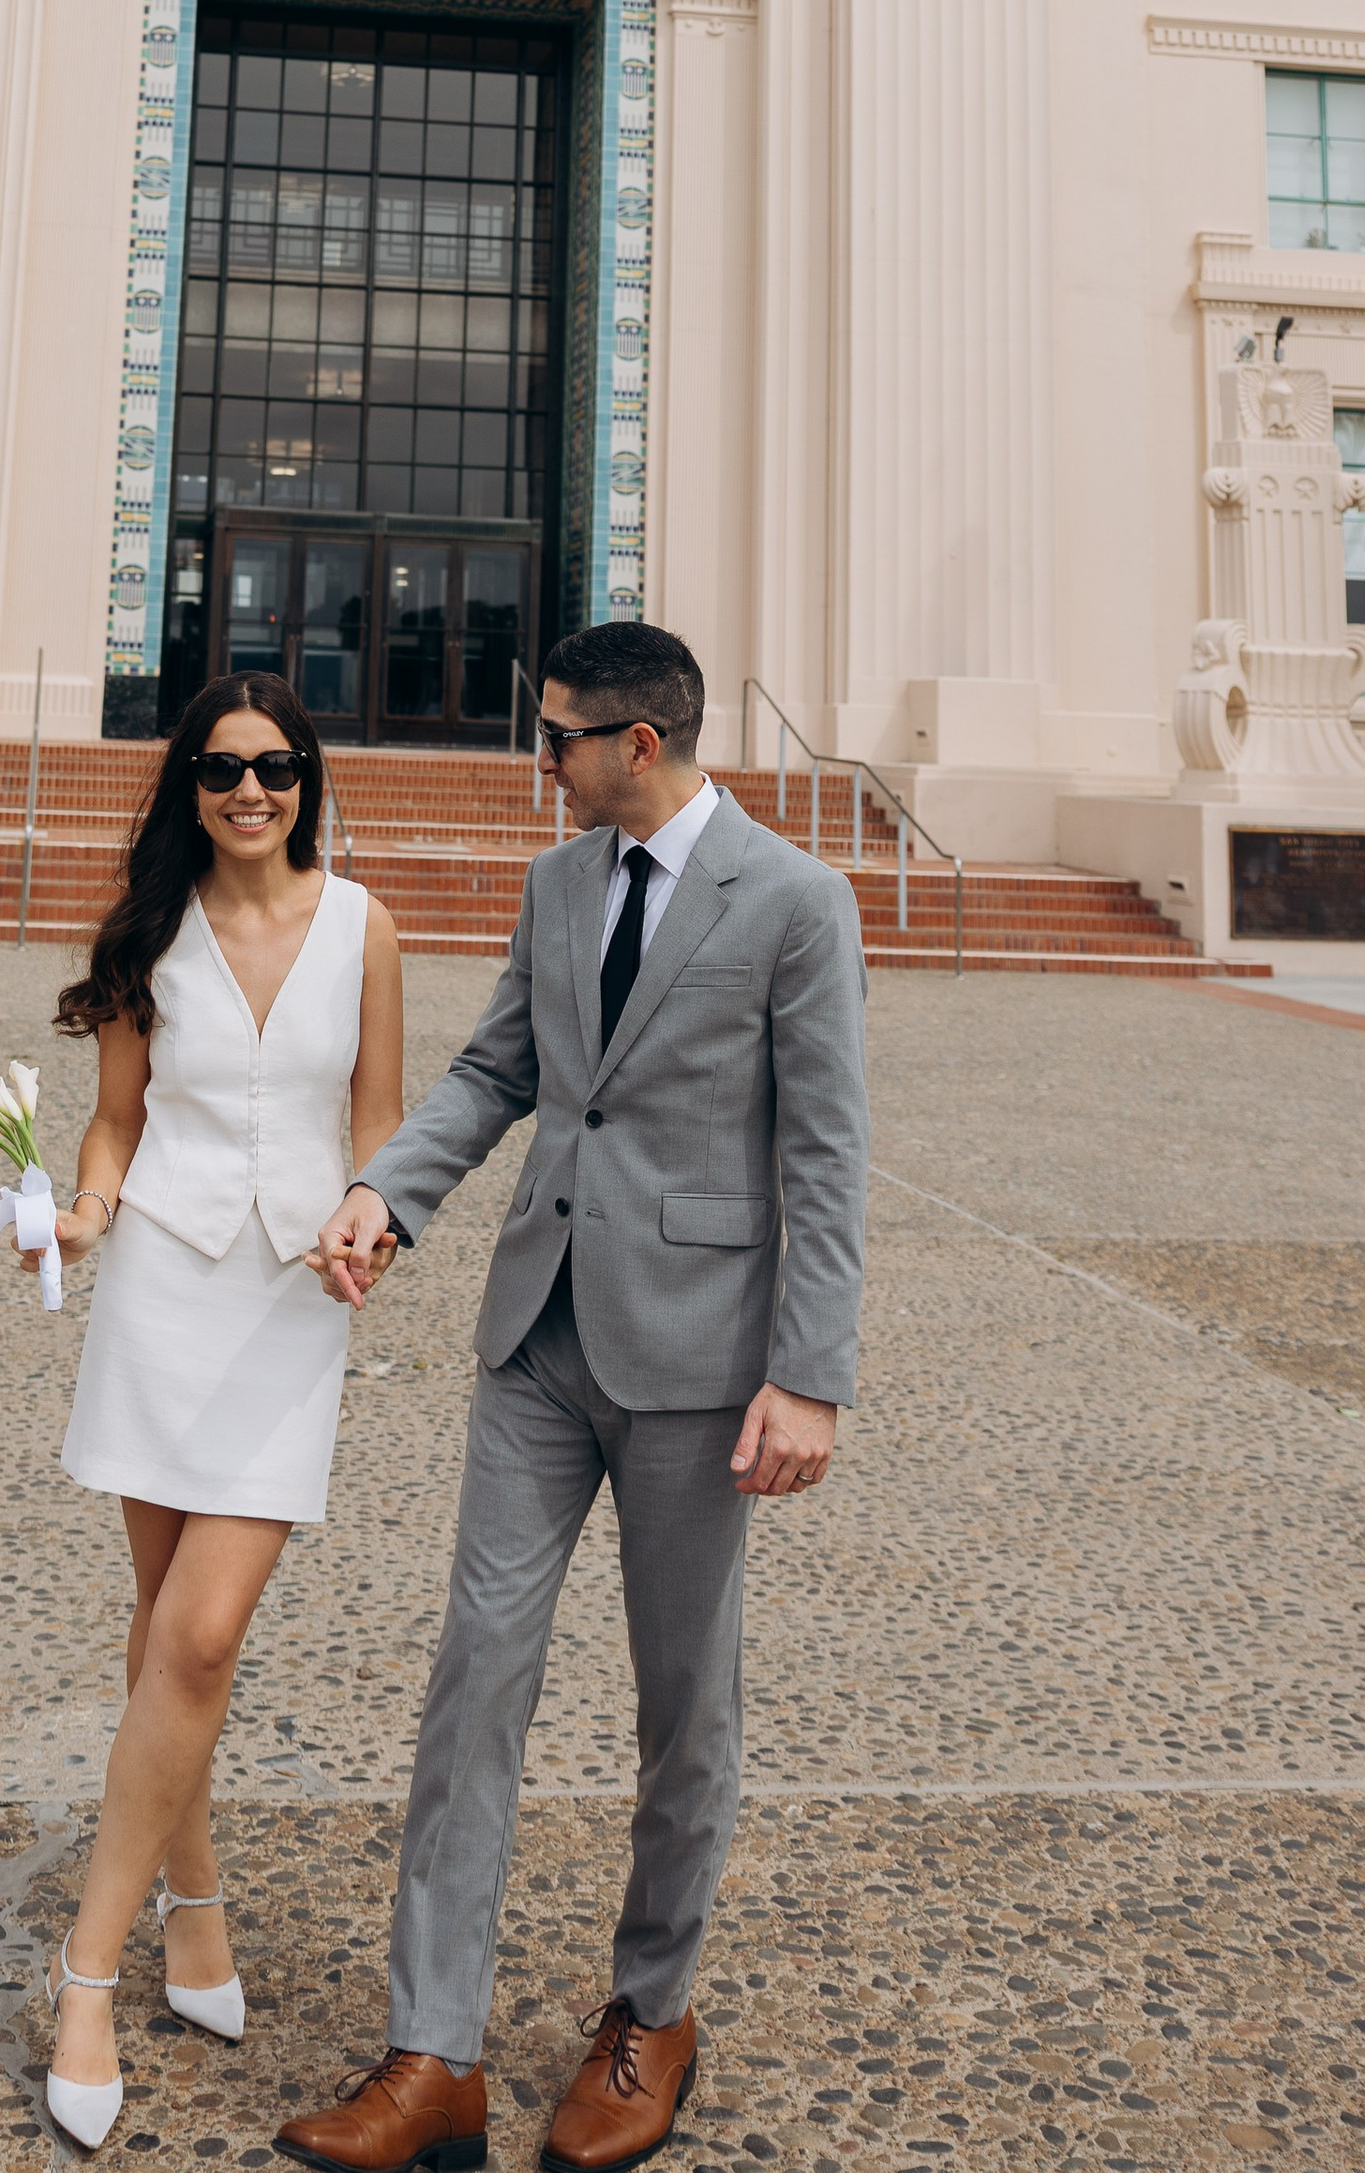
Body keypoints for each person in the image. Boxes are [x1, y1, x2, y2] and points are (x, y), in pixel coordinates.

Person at [277, 620, 868, 2173]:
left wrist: (808, 1379)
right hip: (537, 1337)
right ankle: (435, 2054)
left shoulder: (797, 904)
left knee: (686, 1708)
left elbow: (825, 1153)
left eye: (557, 739)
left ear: (640, 746)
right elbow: (495, 1073)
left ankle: (651, 2015)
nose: (540, 762)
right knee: (476, 1673)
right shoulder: (558, 887)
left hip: (699, 1362)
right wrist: (387, 1194)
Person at [35, 671, 406, 2152]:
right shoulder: (147, 934)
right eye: (221, 770)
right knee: (158, 1635)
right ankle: (196, 1906)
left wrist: (375, 1217)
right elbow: (118, 1119)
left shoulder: (368, 927)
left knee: (197, 1637)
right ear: (187, 787)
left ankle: (85, 1975)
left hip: (289, 1308)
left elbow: (377, 1115)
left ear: (308, 780)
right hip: (160, 1298)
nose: (250, 792)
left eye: (275, 767)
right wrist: (78, 1214)